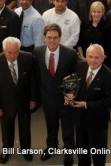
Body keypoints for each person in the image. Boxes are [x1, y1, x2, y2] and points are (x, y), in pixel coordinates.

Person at [33, 24, 77, 166]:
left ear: (60, 38)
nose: (52, 41)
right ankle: (51, 147)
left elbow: (74, 76)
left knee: (68, 126)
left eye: (55, 38)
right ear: (44, 38)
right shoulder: (38, 52)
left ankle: (69, 151)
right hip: (47, 98)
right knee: (51, 125)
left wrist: (70, 95)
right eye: (49, 38)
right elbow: (37, 75)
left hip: (65, 98)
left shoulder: (70, 54)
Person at [0, 37, 37, 164]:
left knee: (25, 128)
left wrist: (33, 98)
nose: (12, 55)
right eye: (9, 52)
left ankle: (26, 150)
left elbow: (33, 80)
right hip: (5, 104)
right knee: (6, 129)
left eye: (15, 52)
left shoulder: (27, 57)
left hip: (24, 101)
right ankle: (6, 150)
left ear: (19, 50)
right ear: (3, 50)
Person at [68, 44, 111, 166]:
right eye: (90, 56)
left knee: (98, 154)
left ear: (103, 58)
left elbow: (109, 102)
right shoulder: (79, 66)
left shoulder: (109, 77)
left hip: (97, 122)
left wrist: (87, 104)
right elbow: (74, 85)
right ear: (86, 56)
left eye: (97, 57)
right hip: (80, 119)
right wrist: (69, 95)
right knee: (82, 151)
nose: (93, 60)